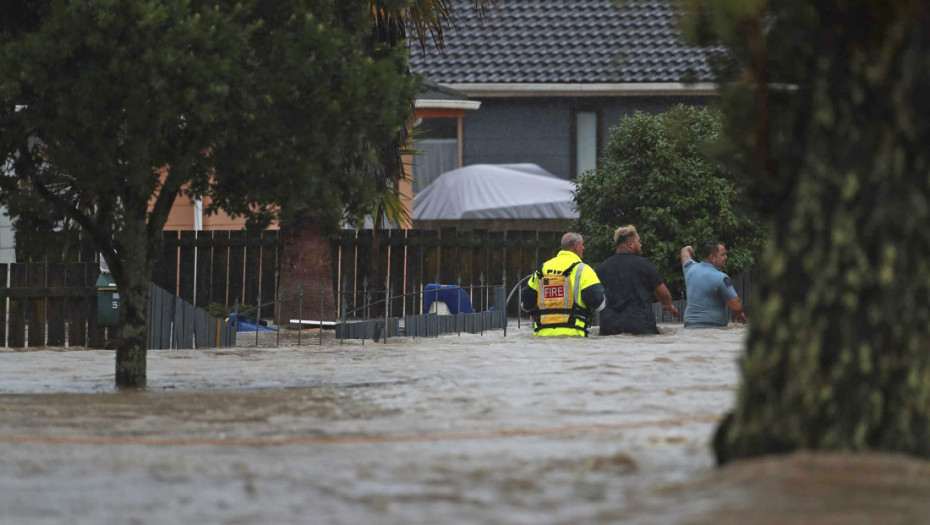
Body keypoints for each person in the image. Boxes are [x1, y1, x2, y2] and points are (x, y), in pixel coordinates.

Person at [596, 225, 678, 335]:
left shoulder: (602, 267)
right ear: (630, 244)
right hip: (640, 327)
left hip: (609, 328)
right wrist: (667, 305)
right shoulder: (644, 264)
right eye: (638, 241)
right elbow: (665, 295)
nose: (641, 245)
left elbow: (595, 296)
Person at [521, 232, 605, 336]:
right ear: (576, 246)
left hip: (542, 337)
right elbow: (599, 304)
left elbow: (525, 304)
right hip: (574, 335)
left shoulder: (543, 269)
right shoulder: (583, 270)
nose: (583, 248)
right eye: (582, 244)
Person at [680, 241, 747, 328]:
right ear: (712, 258)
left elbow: (684, 255)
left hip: (689, 327)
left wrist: (686, 248)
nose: (726, 257)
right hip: (713, 329)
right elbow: (736, 306)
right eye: (723, 255)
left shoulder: (689, 268)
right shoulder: (721, 278)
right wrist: (739, 312)